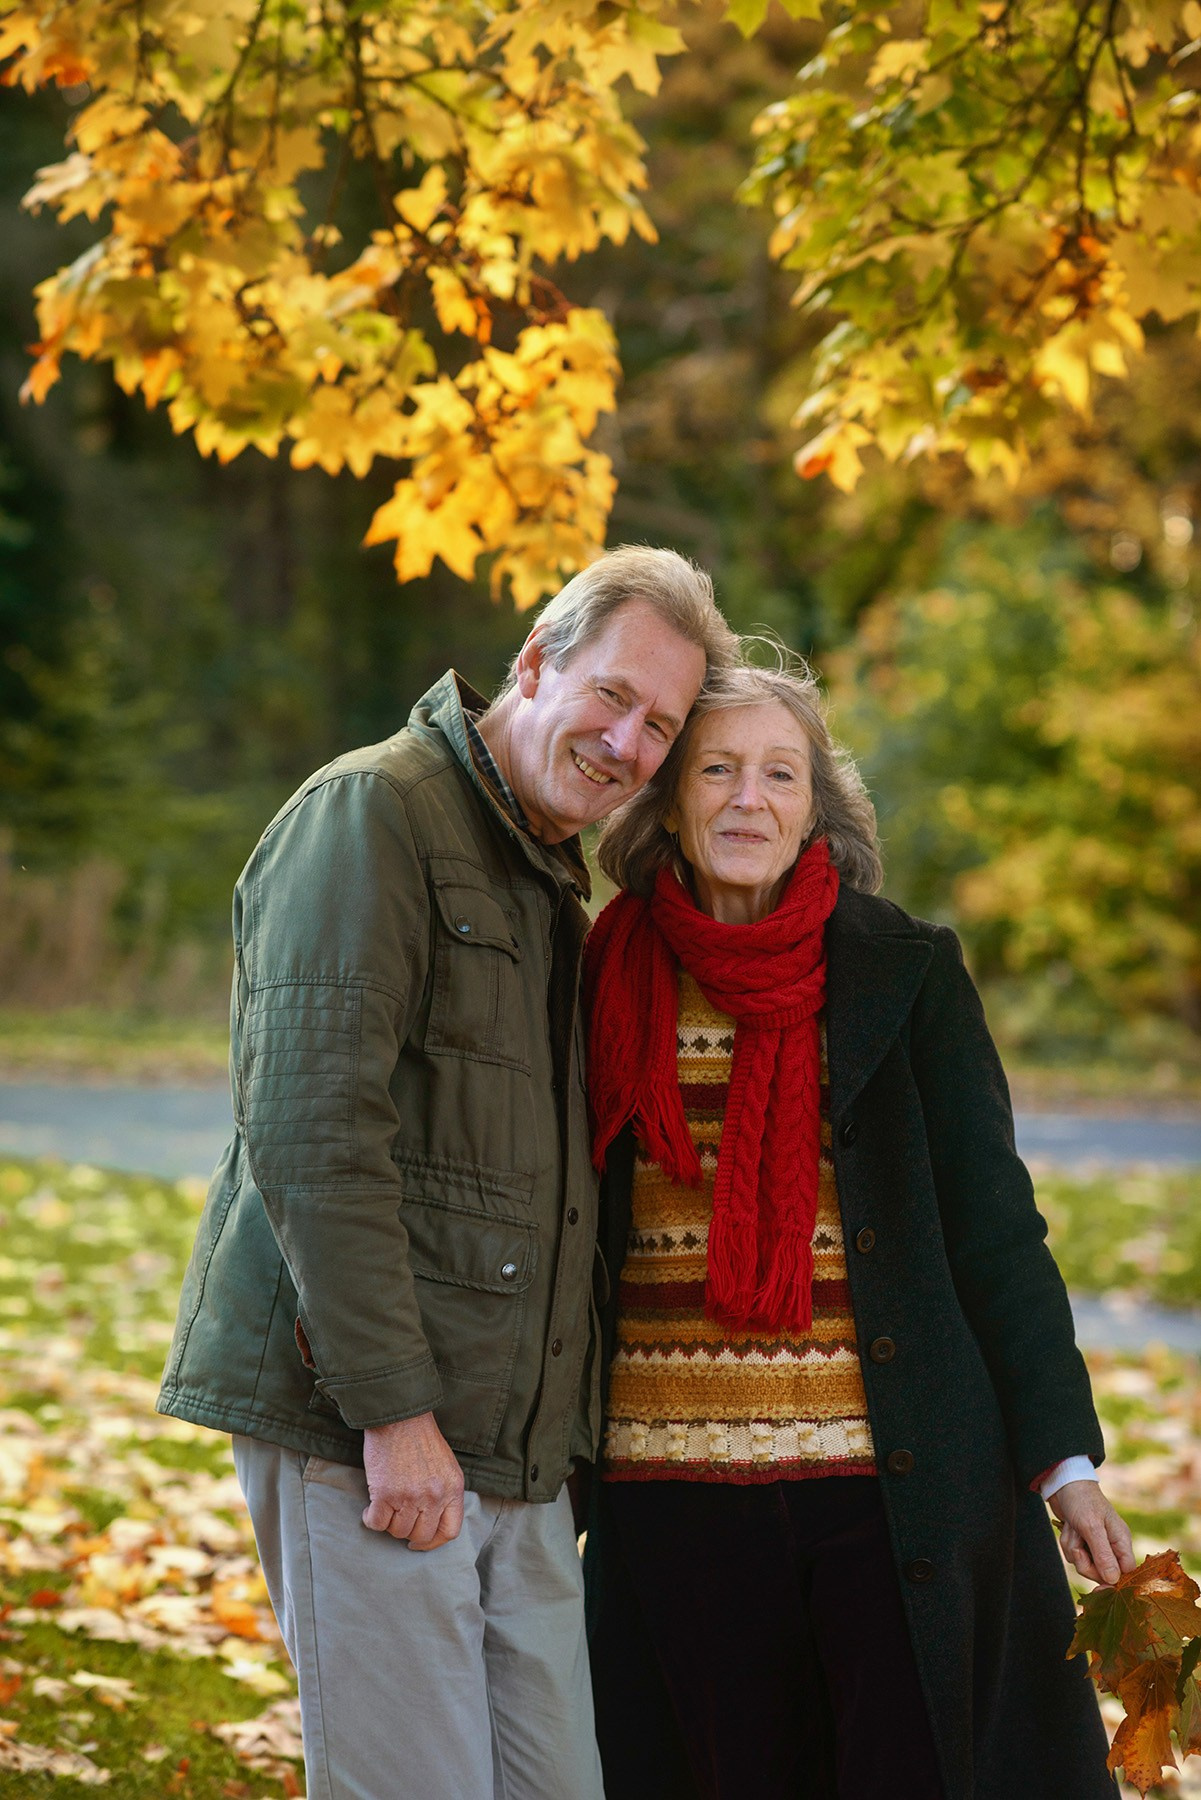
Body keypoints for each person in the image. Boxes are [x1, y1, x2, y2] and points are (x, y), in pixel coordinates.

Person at [157, 545, 738, 1800]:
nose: (627, 743)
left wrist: (556, 1445)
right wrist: (392, 1416)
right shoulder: (375, 814)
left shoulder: (550, 884)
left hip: (511, 1454)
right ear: (533, 662)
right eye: (611, 695)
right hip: (373, 1432)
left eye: (660, 726)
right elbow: (312, 1129)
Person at [583, 660, 1134, 1800]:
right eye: (716, 770)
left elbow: (996, 1228)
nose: (748, 798)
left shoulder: (907, 970)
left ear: (815, 807)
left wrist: (1066, 1467)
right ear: (670, 801)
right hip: (669, 1499)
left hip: (893, 1493)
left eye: (779, 774)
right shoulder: (604, 973)